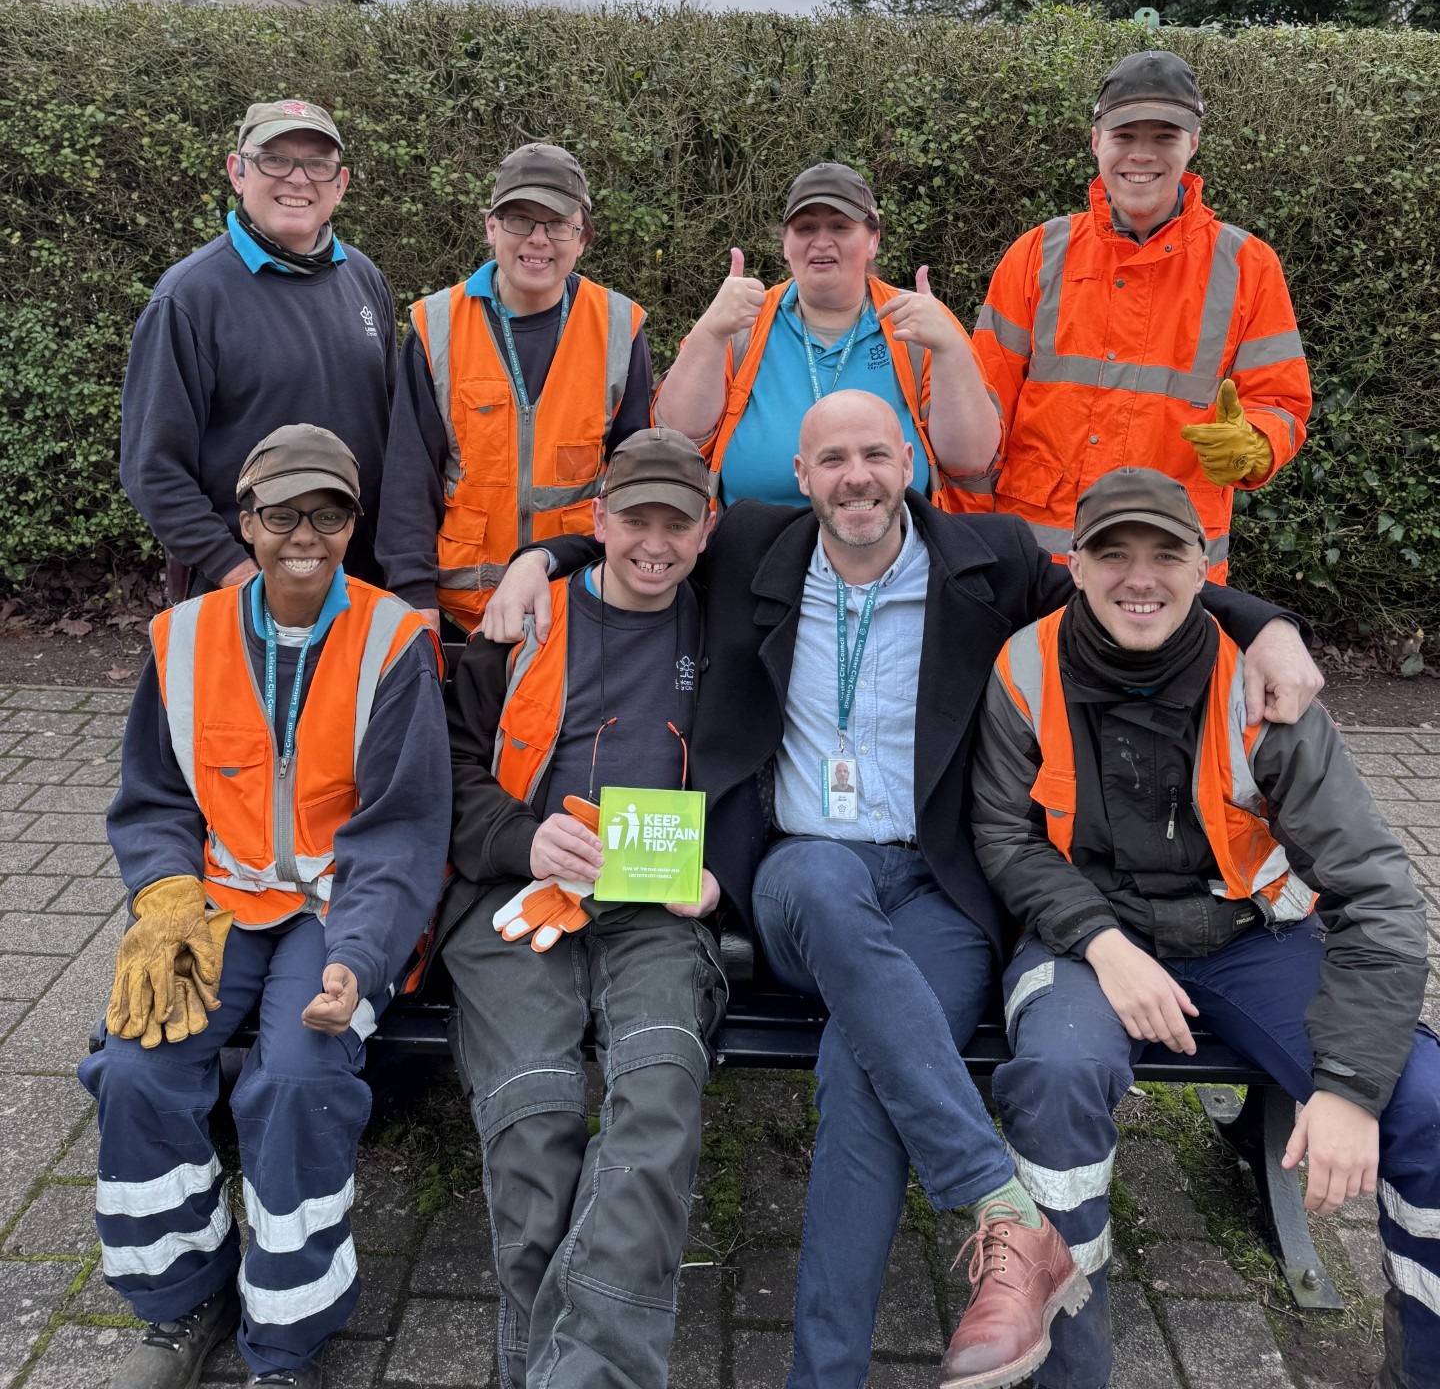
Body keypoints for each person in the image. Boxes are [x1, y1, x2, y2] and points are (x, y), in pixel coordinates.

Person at [483, 392, 1324, 1389]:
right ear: (801, 478)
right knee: (830, 887)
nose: (857, 477)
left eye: (876, 453)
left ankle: (824, 1373)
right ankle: (1001, 1206)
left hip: (938, 890)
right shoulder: (756, 543)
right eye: (831, 457)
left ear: (912, 461)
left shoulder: (992, 561)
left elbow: (1129, 589)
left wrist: (1266, 622)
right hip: (801, 872)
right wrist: (541, 559)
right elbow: (638, 543)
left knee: (861, 1075)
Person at [968, 466, 1439, 1389]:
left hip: (1250, 937)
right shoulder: (1024, 665)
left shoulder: (1263, 683)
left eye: (1165, 554)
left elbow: (1378, 890)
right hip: (1081, 938)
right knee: (1058, 1076)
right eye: (1114, 553)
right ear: (1076, 563)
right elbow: (1004, 836)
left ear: (1204, 565)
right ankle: (1069, 1370)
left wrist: (1345, 1085)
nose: (1139, 577)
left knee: (1424, 1103)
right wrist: (1105, 947)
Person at [81, 424, 449, 1389]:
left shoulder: (396, 640)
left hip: (342, 906)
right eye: (281, 513)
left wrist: (358, 957)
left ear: (352, 524)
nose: (305, 535)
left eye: (328, 514)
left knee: (295, 1077)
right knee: (135, 1069)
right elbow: (155, 800)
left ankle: (287, 1335)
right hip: (214, 899)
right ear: (244, 523)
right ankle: (184, 1296)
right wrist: (161, 901)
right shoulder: (183, 636)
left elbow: (403, 831)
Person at [434, 426, 726, 1389]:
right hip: (517, 899)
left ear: (706, 529)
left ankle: (555, 1377)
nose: (654, 543)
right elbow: (449, 774)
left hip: (658, 910)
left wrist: (724, 881)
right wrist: (524, 837)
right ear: (595, 519)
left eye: (675, 525)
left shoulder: (731, 623)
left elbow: (771, 780)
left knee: (658, 1095)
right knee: (536, 1119)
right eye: (632, 518)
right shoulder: (526, 622)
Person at [963, 52, 1311, 580]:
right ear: (1096, 141)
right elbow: (982, 410)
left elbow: (1280, 401)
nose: (1141, 156)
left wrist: (1255, 443)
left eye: (1164, 137)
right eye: (1125, 136)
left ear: (1192, 144)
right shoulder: (1039, 252)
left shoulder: (1248, 266)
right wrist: (969, 542)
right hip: (1035, 558)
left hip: (1169, 566)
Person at [120, 99, 396, 596]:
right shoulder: (189, 297)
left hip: (362, 584)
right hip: (248, 588)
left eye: (317, 164)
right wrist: (236, 574)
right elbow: (153, 469)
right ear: (238, 171)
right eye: (275, 160)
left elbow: (393, 433)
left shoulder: (363, 277)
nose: (297, 178)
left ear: (340, 183)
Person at [376, 141, 652, 633]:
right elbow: (408, 480)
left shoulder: (619, 328)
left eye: (557, 224)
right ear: (490, 228)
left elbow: (634, 482)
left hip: (576, 609)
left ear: (582, 237)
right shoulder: (436, 326)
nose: (538, 239)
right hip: (461, 616)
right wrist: (413, 597)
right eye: (519, 219)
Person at [652, 160, 999, 506]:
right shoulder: (742, 322)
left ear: (873, 241)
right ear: (786, 245)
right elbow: (675, 440)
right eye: (805, 228)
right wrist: (711, 332)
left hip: (890, 551)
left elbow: (970, 461)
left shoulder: (919, 324)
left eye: (840, 226)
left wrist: (949, 350)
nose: (821, 241)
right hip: (754, 556)